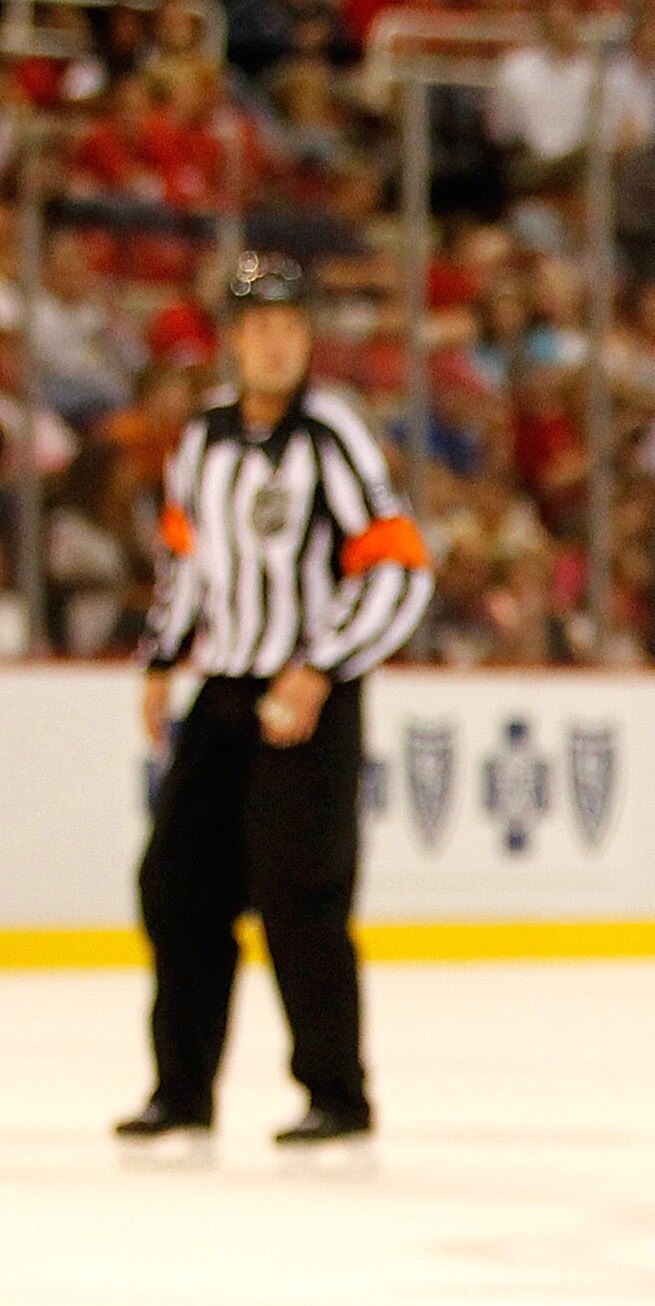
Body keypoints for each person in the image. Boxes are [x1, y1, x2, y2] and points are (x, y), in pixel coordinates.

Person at [115, 254, 433, 1154]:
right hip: (226, 688)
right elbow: (188, 562)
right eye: (257, 325)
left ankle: (336, 1094)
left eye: (291, 325)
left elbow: (400, 566)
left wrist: (321, 667)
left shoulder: (334, 434)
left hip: (309, 696)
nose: (274, 341)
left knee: (301, 894)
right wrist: (161, 658)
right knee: (176, 885)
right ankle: (182, 1090)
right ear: (233, 339)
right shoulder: (205, 436)